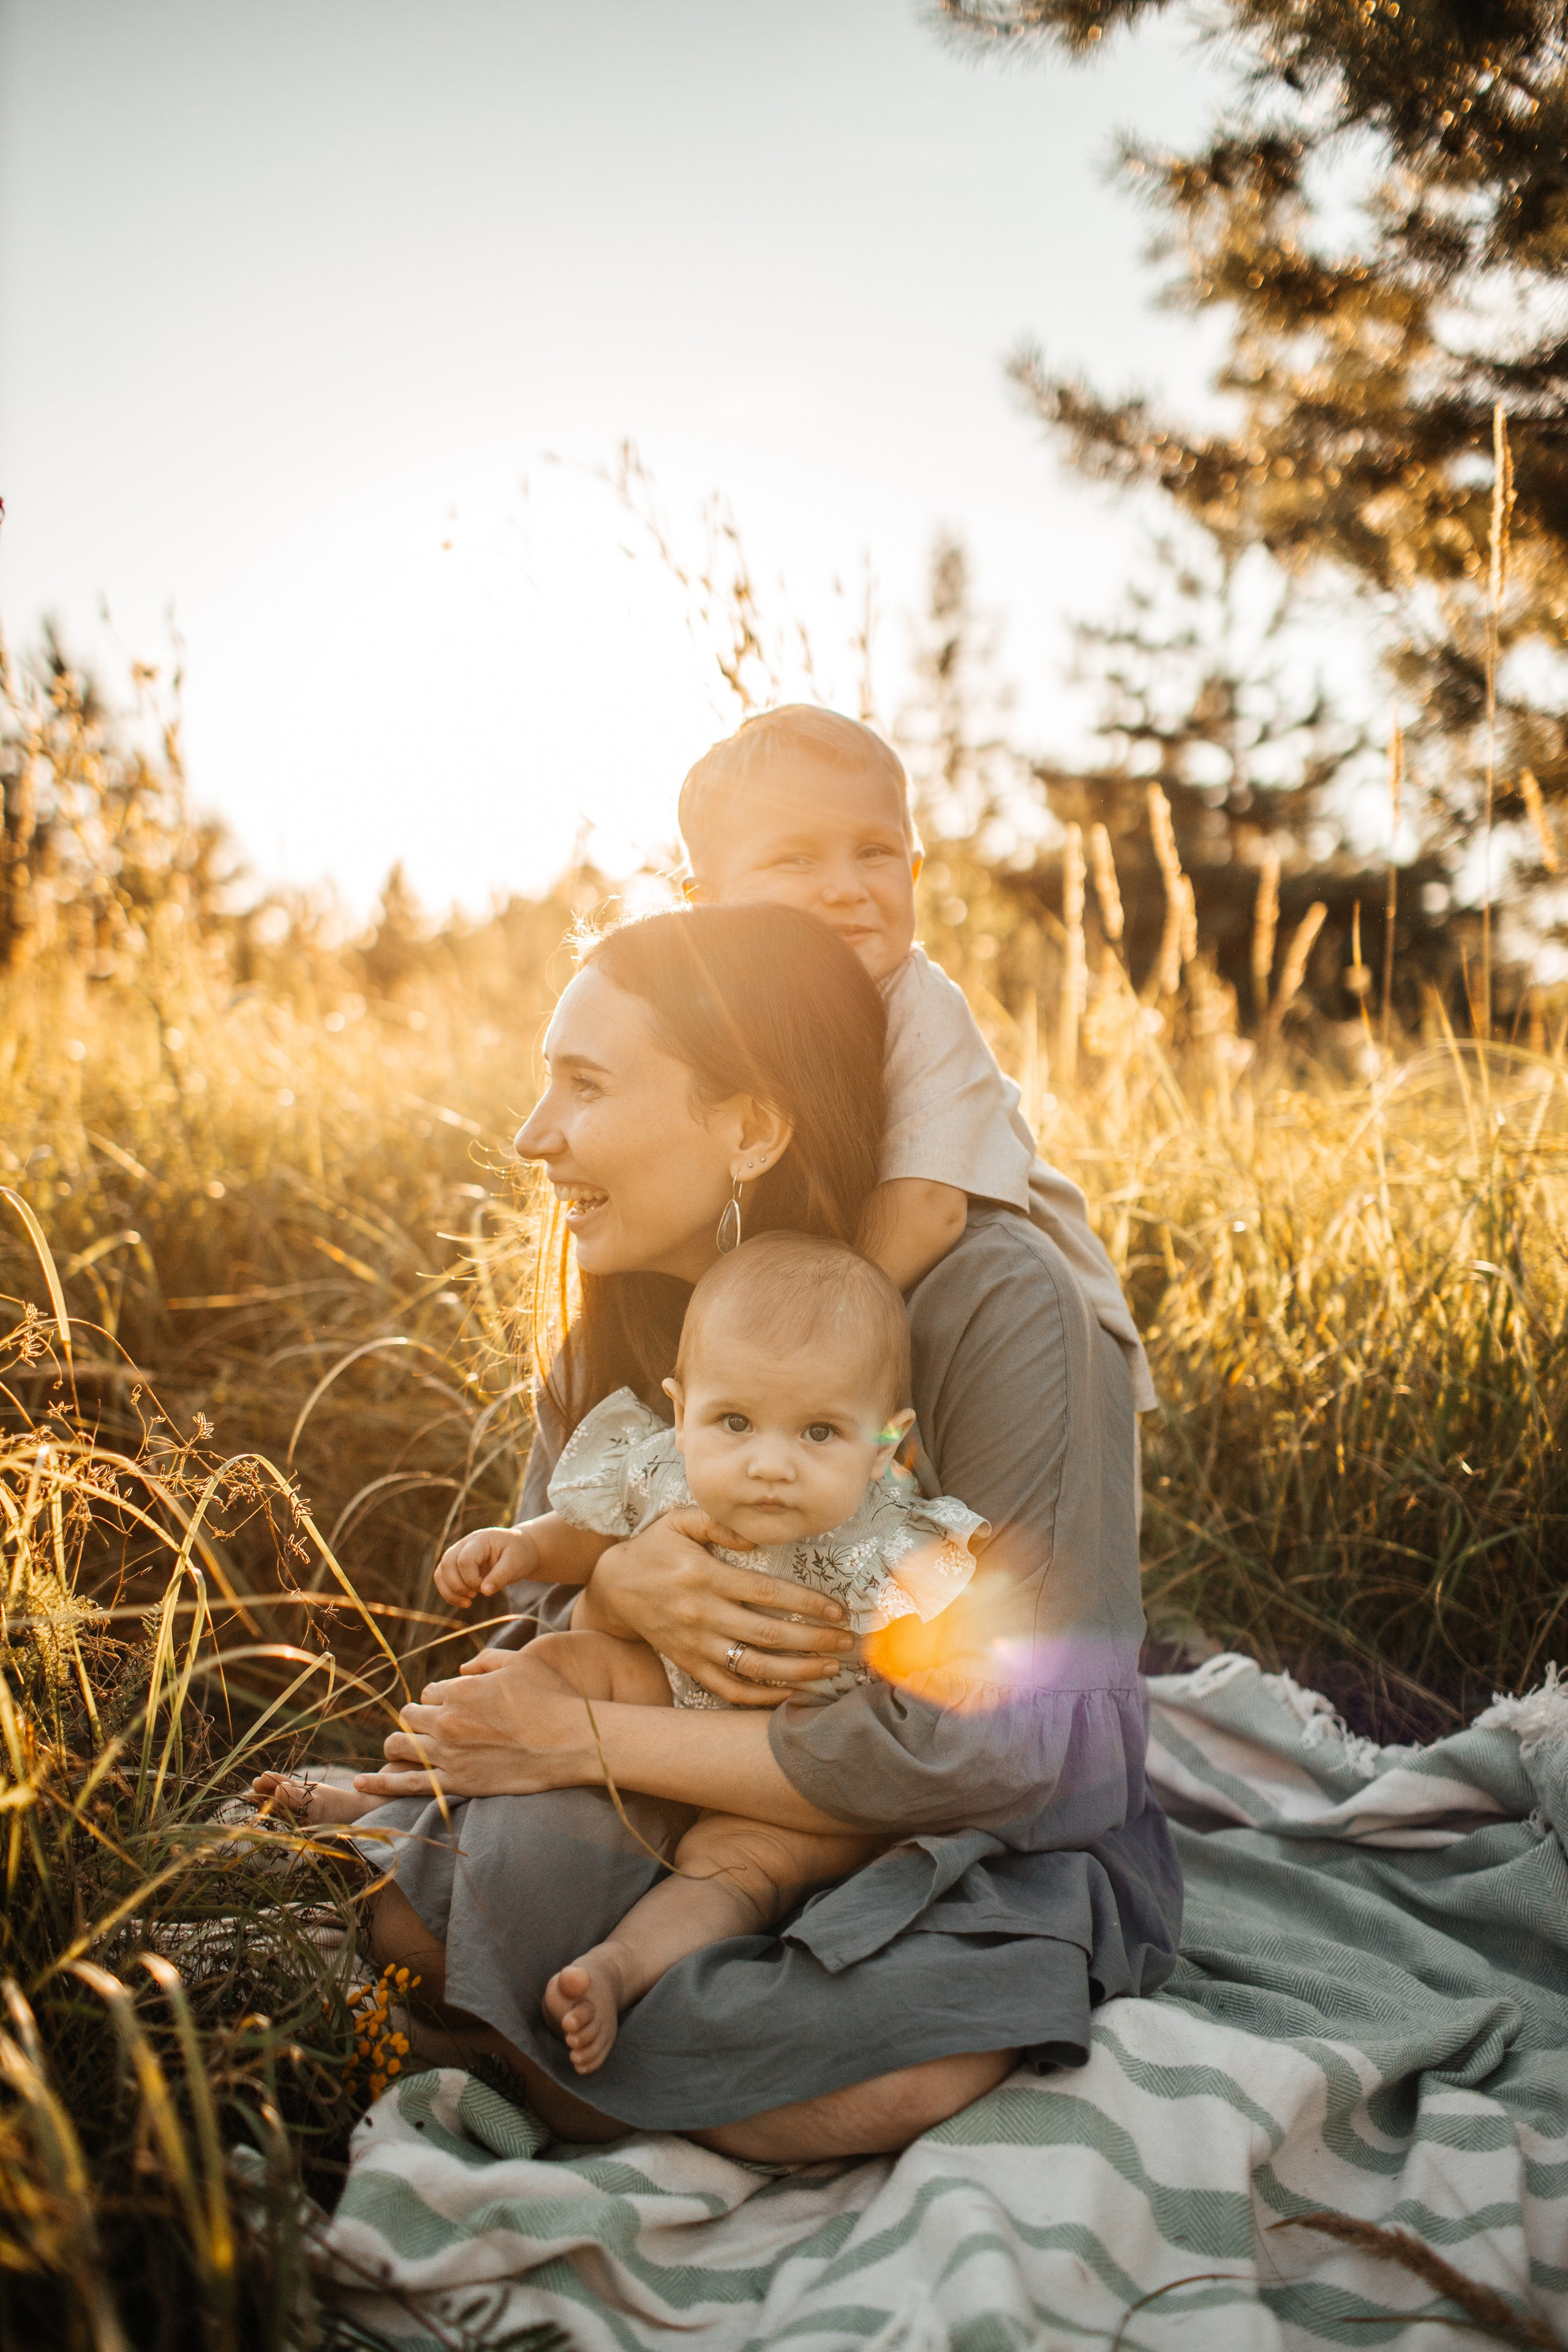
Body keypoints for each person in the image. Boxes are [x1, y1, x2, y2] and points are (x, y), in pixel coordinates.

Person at [334, 902, 1180, 2162]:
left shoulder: (1002, 1306)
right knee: (420, 1922)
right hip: (692, 1779)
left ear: (748, 1128)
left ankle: (533, 2064)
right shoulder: (619, 1323)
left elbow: (1006, 1745)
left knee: (890, 2080)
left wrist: (581, 1738)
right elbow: (541, 1616)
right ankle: (569, 2033)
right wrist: (617, 1591)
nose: (532, 1135)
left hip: (949, 1821)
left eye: (584, 1085)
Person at [260, 1231, 987, 2081]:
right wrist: (523, 1548)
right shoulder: (667, 1471)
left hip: (784, 1756)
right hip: (662, 1687)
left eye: (819, 1432)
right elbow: (589, 1531)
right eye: (735, 1422)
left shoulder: (894, 1538)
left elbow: (957, 1642)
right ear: (681, 1414)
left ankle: (614, 1971)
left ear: (885, 1445)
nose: (769, 1464)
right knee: (549, 1673)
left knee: (741, 1875)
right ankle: (383, 1806)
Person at [680, 704, 1155, 1411]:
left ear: (913, 868)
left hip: (1028, 1334)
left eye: (874, 853)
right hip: (871, 1314)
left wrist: (785, 1344)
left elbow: (928, 1210)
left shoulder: (917, 1007)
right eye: (796, 858)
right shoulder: (714, 1020)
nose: (846, 887)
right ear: (706, 902)